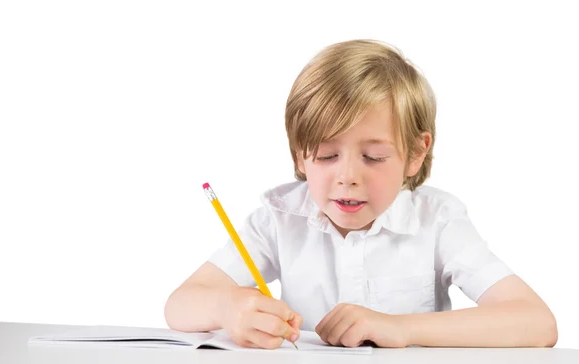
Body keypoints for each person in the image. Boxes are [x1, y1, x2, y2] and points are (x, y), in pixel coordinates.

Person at [164, 39, 558, 349]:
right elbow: (179, 304)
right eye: (326, 155)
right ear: (300, 154)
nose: (347, 177)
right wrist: (227, 307)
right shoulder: (278, 218)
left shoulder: (437, 221)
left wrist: (399, 328)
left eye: (373, 157)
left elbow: (536, 322)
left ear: (416, 153)